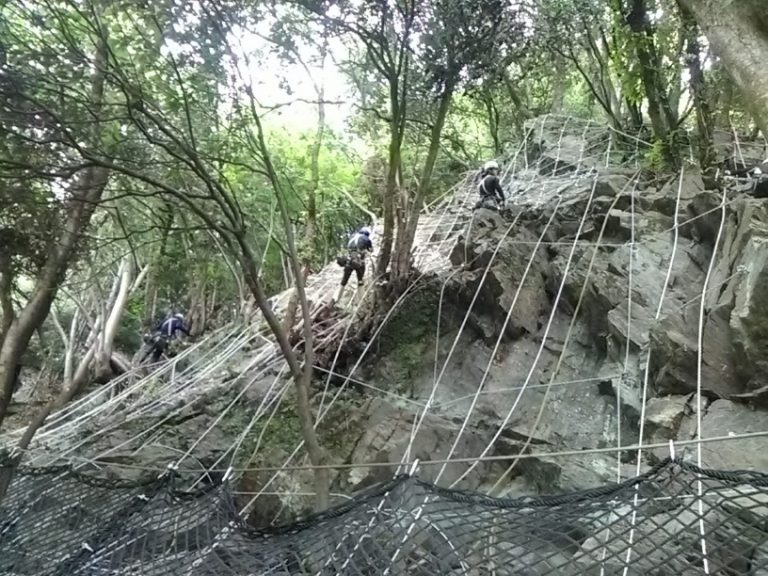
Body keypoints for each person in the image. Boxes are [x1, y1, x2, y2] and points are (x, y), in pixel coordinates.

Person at [334, 226, 373, 304]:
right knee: (360, 280)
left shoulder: (352, 236)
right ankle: (361, 302)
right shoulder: (366, 238)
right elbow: (371, 250)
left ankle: (335, 299)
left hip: (348, 261)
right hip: (359, 262)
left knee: (344, 280)